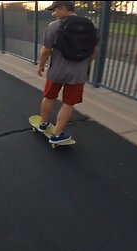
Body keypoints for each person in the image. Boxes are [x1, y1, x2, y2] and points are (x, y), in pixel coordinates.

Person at [37, 1, 98, 144]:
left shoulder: (53, 26)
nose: (53, 14)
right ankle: (57, 135)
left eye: (54, 10)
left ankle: (43, 124)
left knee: (49, 97)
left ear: (63, 8)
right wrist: (86, 65)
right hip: (78, 74)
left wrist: (41, 65)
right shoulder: (91, 26)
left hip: (56, 72)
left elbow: (46, 50)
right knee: (68, 103)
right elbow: (94, 50)